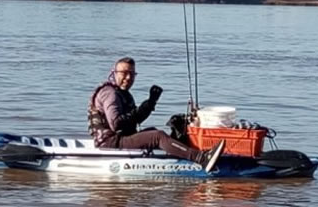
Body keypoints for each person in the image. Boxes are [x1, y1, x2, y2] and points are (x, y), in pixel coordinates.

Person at [88, 57, 226, 173]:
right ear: (114, 73)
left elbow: (135, 120)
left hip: (120, 137)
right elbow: (117, 124)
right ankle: (201, 159)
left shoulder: (123, 93)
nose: (128, 77)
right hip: (111, 142)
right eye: (124, 73)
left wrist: (150, 102)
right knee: (157, 136)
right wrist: (144, 107)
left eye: (132, 74)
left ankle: (182, 153)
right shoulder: (110, 94)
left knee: (153, 131)